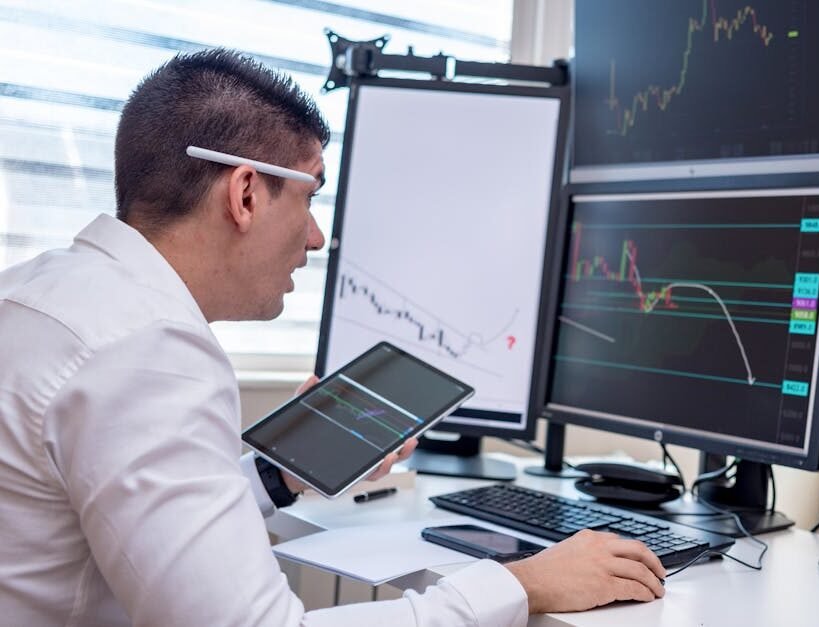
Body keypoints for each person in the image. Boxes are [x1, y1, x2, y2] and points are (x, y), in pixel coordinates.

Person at [0, 49, 666, 626]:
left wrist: (279, 472)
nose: (317, 237)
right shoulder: (150, 354)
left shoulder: (44, 295)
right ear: (246, 195)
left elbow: (127, 513)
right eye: (311, 195)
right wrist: (520, 584)